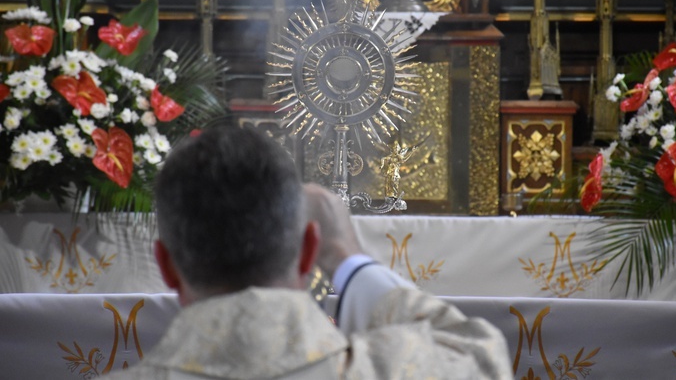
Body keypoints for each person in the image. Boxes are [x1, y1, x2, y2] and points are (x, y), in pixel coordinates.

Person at [104, 125, 513, 379]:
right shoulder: (400, 370)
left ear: (166, 265)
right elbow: (484, 356)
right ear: (308, 252)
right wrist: (349, 259)